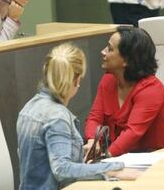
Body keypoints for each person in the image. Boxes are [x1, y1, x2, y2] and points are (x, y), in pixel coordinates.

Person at [17, 43, 141, 190]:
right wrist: (112, 169)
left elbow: (43, 159)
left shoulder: (29, 107)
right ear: (76, 80)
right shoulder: (57, 117)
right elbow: (62, 170)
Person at [84, 26, 164, 157]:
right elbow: (95, 118)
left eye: (110, 49)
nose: (103, 52)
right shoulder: (108, 80)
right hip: (123, 158)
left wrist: (106, 159)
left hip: (158, 159)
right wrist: (92, 141)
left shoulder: (151, 90)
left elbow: (132, 133)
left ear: (127, 60)